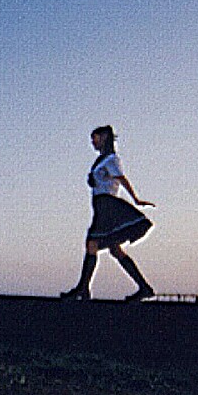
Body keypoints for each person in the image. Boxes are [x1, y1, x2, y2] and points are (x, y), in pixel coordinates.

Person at [60, 126, 156, 301]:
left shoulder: (112, 159)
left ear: (104, 137)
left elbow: (121, 179)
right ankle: (144, 288)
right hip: (100, 205)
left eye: (95, 138)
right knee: (114, 249)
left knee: (92, 243)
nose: (92, 142)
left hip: (108, 206)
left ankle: (82, 288)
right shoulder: (101, 161)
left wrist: (136, 199)